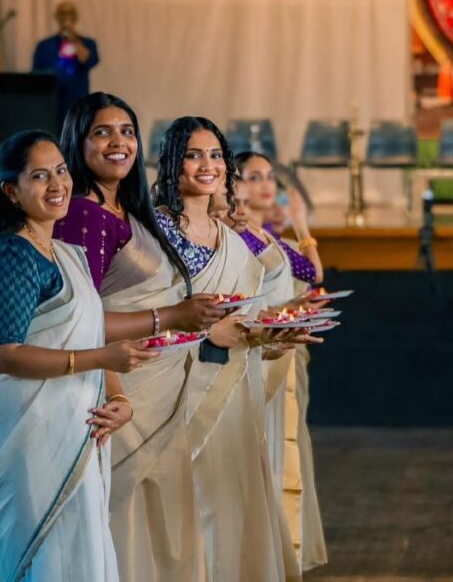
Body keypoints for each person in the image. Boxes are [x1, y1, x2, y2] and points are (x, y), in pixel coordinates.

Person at [0, 130, 160, 581]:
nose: (57, 185)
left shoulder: (68, 254)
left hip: (79, 426)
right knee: (45, 559)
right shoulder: (11, 253)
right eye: (39, 176)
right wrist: (100, 357)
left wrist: (119, 398)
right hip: (29, 436)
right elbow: (6, 355)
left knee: (82, 553)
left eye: (61, 172)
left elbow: (89, 333)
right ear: (11, 190)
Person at [54, 92, 231, 581]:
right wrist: (170, 317)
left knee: (166, 521)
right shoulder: (82, 215)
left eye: (127, 131)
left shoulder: (129, 212)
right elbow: (78, 321)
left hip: (159, 381)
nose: (119, 142)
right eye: (102, 132)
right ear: (78, 142)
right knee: (125, 518)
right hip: (118, 387)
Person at [153, 116, 305, 581]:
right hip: (180, 387)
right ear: (172, 163)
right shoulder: (157, 228)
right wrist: (205, 335)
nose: (207, 165)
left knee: (233, 498)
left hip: (235, 383)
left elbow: (259, 296)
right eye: (193, 154)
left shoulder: (230, 234)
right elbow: (147, 313)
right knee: (196, 506)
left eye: (215, 155)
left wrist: (269, 335)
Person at [234, 151, 328, 570]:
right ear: (233, 184)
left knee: (285, 442)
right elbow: (312, 273)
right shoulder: (240, 235)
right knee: (266, 444)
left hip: (284, 347)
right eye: (254, 177)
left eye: (270, 176)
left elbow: (309, 274)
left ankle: (282, 546)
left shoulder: (266, 235)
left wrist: (301, 224)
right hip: (258, 350)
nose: (266, 185)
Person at [32, 1, 100, 129]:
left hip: (77, 102)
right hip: (51, 103)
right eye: (62, 13)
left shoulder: (87, 43)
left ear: (76, 17)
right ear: (57, 17)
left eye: (69, 13)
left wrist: (73, 39)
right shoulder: (45, 45)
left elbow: (89, 60)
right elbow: (36, 75)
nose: (66, 17)